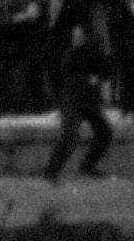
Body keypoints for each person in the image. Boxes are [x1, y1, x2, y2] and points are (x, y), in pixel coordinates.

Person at [43, 18, 116, 182]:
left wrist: (98, 76)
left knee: (104, 133)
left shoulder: (93, 54)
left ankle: (87, 166)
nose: (76, 40)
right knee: (70, 135)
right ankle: (51, 171)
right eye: (74, 37)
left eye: (79, 36)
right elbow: (68, 78)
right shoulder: (69, 55)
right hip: (73, 101)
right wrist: (88, 80)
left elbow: (107, 71)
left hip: (88, 102)